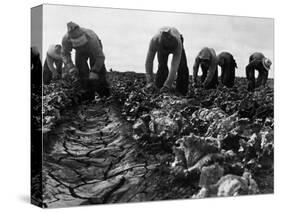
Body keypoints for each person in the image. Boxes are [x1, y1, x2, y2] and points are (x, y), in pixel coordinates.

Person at [61, 22, 110, 98]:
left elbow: (100, 57)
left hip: (93, 50)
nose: (80, 44)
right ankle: (88, 95)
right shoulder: (65, 40)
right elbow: (65, 54)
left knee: (99, 71)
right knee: (81, 70)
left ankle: (105, 94)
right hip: (80, 52)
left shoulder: (92, 38)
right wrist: (70, 66)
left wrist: (94, 71)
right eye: (77, 42)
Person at [145, 26, 189, 95]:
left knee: (182, 66)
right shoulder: (154, 41)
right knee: (162, 66)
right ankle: (159, 88)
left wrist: (168, 85)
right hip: (161, 46)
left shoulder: (178, 43)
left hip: (176, 42)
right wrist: (150, 81)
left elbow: (174, 65)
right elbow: (149, 61)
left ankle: (181, 91)